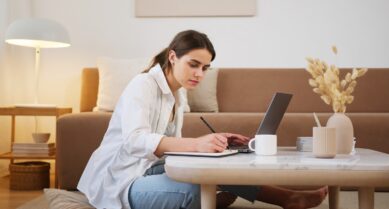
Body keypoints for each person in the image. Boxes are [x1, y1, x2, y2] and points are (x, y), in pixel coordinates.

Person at [78, 30, 328, 209]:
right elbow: (135, 141)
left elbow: (168, 147)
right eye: (194, 64)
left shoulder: (178, 93)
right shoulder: (143, 85)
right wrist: (198, 145)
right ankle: (206, 200)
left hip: (146, 168)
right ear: (173, 57)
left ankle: (287, 198)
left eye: (205, 68)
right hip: (120, 180)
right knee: (195, 189)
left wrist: (213, 143)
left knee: (218, 164)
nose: (199, 74)